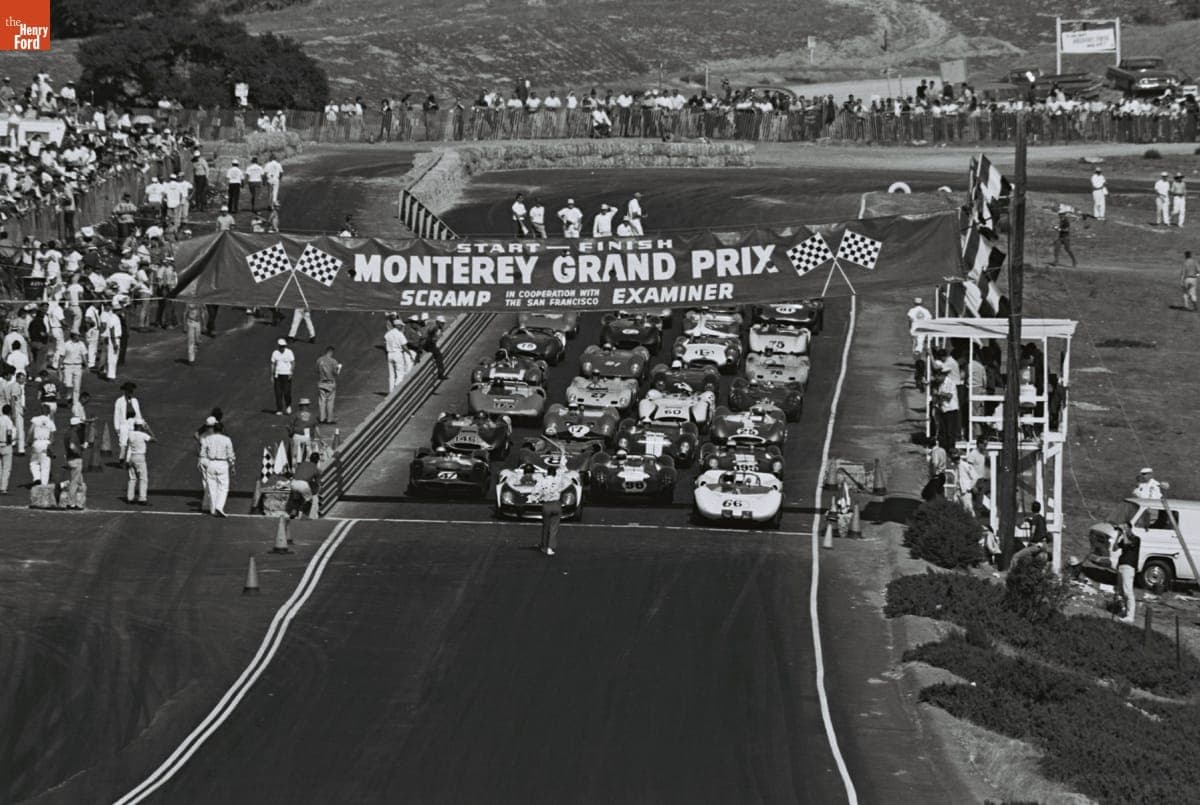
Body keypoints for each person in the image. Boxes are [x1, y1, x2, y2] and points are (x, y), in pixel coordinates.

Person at [200, 421, 235, 517]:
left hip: (211, 463)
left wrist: (203, 462)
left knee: (212, 487)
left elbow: (203, 453)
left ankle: (213, 509)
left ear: (214, 429)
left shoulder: (207, 439)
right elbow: (230, 454)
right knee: (223, 487)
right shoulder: (227, 439)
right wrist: (232, 465)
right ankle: (219, 506)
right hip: (222, 463)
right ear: (222, 430)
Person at [533, 465, 567, 555]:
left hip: (546, 505)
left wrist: (539, 498)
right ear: (555, 473)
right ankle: (550, 547)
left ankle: (544, 546)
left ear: (547, 473)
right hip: (556, 504)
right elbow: (563, 470)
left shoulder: (541, 481)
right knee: (554, 528)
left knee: (545, 526)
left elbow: (535, 492)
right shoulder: (558, 480)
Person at [123, 418, 153, 505]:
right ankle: (142, 498)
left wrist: (127, 460)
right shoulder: (143, 435)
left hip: (132, 457)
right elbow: (154, 439)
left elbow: (128, 447)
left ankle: (130, 498)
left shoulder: (130, 434)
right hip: (140, 457)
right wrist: (148, 429)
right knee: (143, 478)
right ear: (140, 426)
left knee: (132, 478)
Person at [1114, 523, 1140, 623]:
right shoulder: (1124, 538)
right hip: (1121, 566)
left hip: (1129, 567)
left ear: (1129, 528)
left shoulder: (1136, 539)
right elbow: (1115, 548)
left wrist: (1124, 532)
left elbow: (1127, 543)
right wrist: (1118, 535)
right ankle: (1124, 612)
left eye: (1125, 528)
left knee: (1127, 591)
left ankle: (1130, 616)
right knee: (1120, 592)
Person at [906, 296, 931, 389]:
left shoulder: (912, 311)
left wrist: (911, 330)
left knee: (917, 353)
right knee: (920, 352)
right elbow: (929, 321)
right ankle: (920, 373)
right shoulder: (926, 311)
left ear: (914, 303)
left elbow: (910, 321)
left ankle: (920, 374)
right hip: (924, 333)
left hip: (916, 333)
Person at [288, 397, 320, 465]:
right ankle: (307, 465)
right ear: (308, 405)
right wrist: (320, 438)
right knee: (308, 454)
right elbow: (317, 428)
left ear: (300, 406)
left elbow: (290, 427)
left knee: (295, 455)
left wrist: (290, 434)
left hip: (297, 436)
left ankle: (295, 467)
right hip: (308, 437)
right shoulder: (313, 415)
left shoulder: (295, 415)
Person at [315, 346, 342, 423]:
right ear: (331, 352)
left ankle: (322, 418)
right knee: (330, 401)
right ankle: (329, 419)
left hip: (321, 382)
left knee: (322, 401)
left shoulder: (319, 360)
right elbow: (336, 373)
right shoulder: (333, 361)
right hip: (330, 383)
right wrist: (339, 368)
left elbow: (317, 371)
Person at [270, 338, 296, 416]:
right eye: (281, 346)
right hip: (277, 375)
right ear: (279, 346)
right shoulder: (275, 353)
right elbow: (273, 364)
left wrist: (291, 372)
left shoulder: (289, 352)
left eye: (284, 346)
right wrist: (272, 375)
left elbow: (293, 362)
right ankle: (279, 409)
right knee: (278, 393)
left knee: (287, 392)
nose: (282, 348)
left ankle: (288, 405)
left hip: (286, 375)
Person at [384, 318, 410, 391]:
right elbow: (404, 346)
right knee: (400, 373)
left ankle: (391, 390)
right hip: (397, 354)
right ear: (398, 326)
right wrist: (409, 354)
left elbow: (385, 344)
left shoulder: (387, 334)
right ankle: (397, 389)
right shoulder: (399, 334)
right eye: (401, 326)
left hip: (390, 354)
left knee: (391, 374)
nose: (402, 327)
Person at [291, 451, 320, 517]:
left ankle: (294, 512)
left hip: (294, 482)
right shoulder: (316, 468)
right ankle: (304, 515)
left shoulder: (302, 463)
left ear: (310, 458)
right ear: (317, 460)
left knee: (296, 499)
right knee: (309, 500)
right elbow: (317, 482)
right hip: (303, 484)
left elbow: (298, 473)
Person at [422, 314, 447, 380]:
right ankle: (440, 373)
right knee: (439, 356)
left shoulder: (439, 329)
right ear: (438, 322)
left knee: (439, 355)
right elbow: (429, 333)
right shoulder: (434, 327)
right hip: (428, 344)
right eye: (442, 323)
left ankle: (441, 372)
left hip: (431, 344)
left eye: (443, 323)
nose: (443, 324)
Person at [922, 436, 947, 501]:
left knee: (927, 494)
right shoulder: (942, 450)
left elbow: (935, 463)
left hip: (936, 476)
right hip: (942, 474)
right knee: (939, 493)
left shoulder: (934, 451)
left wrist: (933, 475)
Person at [0, 403, 14, 494]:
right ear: (9, 412)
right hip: (6, 445)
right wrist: (9, 443)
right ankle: (3, 487)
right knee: (6, 467)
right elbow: (9, 433)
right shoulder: (8, 421)